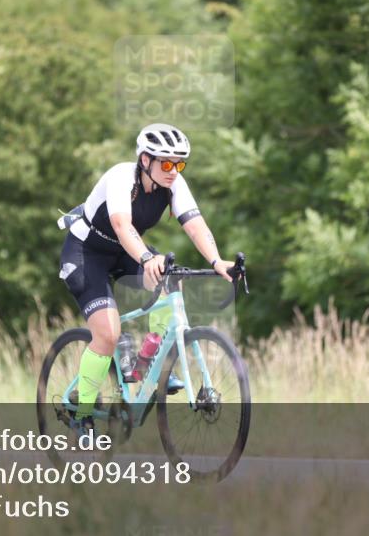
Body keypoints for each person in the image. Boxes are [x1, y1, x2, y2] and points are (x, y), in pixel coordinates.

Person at [56, 123, 235, 435]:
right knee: (108, 334)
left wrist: (218, 261)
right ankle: (82, 414)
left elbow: (195, 225)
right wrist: (147, 258)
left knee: (169, 278)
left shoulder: (173, 184)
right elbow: (122, 226)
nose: (173, 171)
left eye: (180, 164)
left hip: (126, 250)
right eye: (166, 163)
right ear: (145, 160)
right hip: (87, 253)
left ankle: (150, 365)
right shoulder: (120, 177)